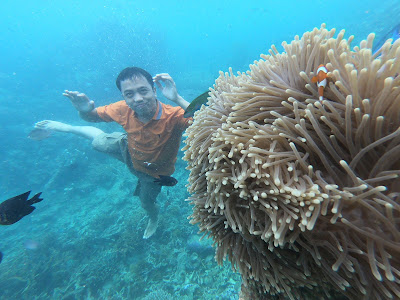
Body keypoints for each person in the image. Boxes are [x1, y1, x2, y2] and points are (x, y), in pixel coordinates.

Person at [34, 67, 191, 239]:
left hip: (154, 173)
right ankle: (69, 128)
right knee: (98, 142)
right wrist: (84, 110)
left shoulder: (175, 115)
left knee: (146, 203)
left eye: (143, 90)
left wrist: (177, 98)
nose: (138, 98)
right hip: (127, 148)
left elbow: (207, 121)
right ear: (123, 96)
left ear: (154, 90)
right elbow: (92, 117)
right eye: (129, 94)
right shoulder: (122, 108)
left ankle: (153, 218)